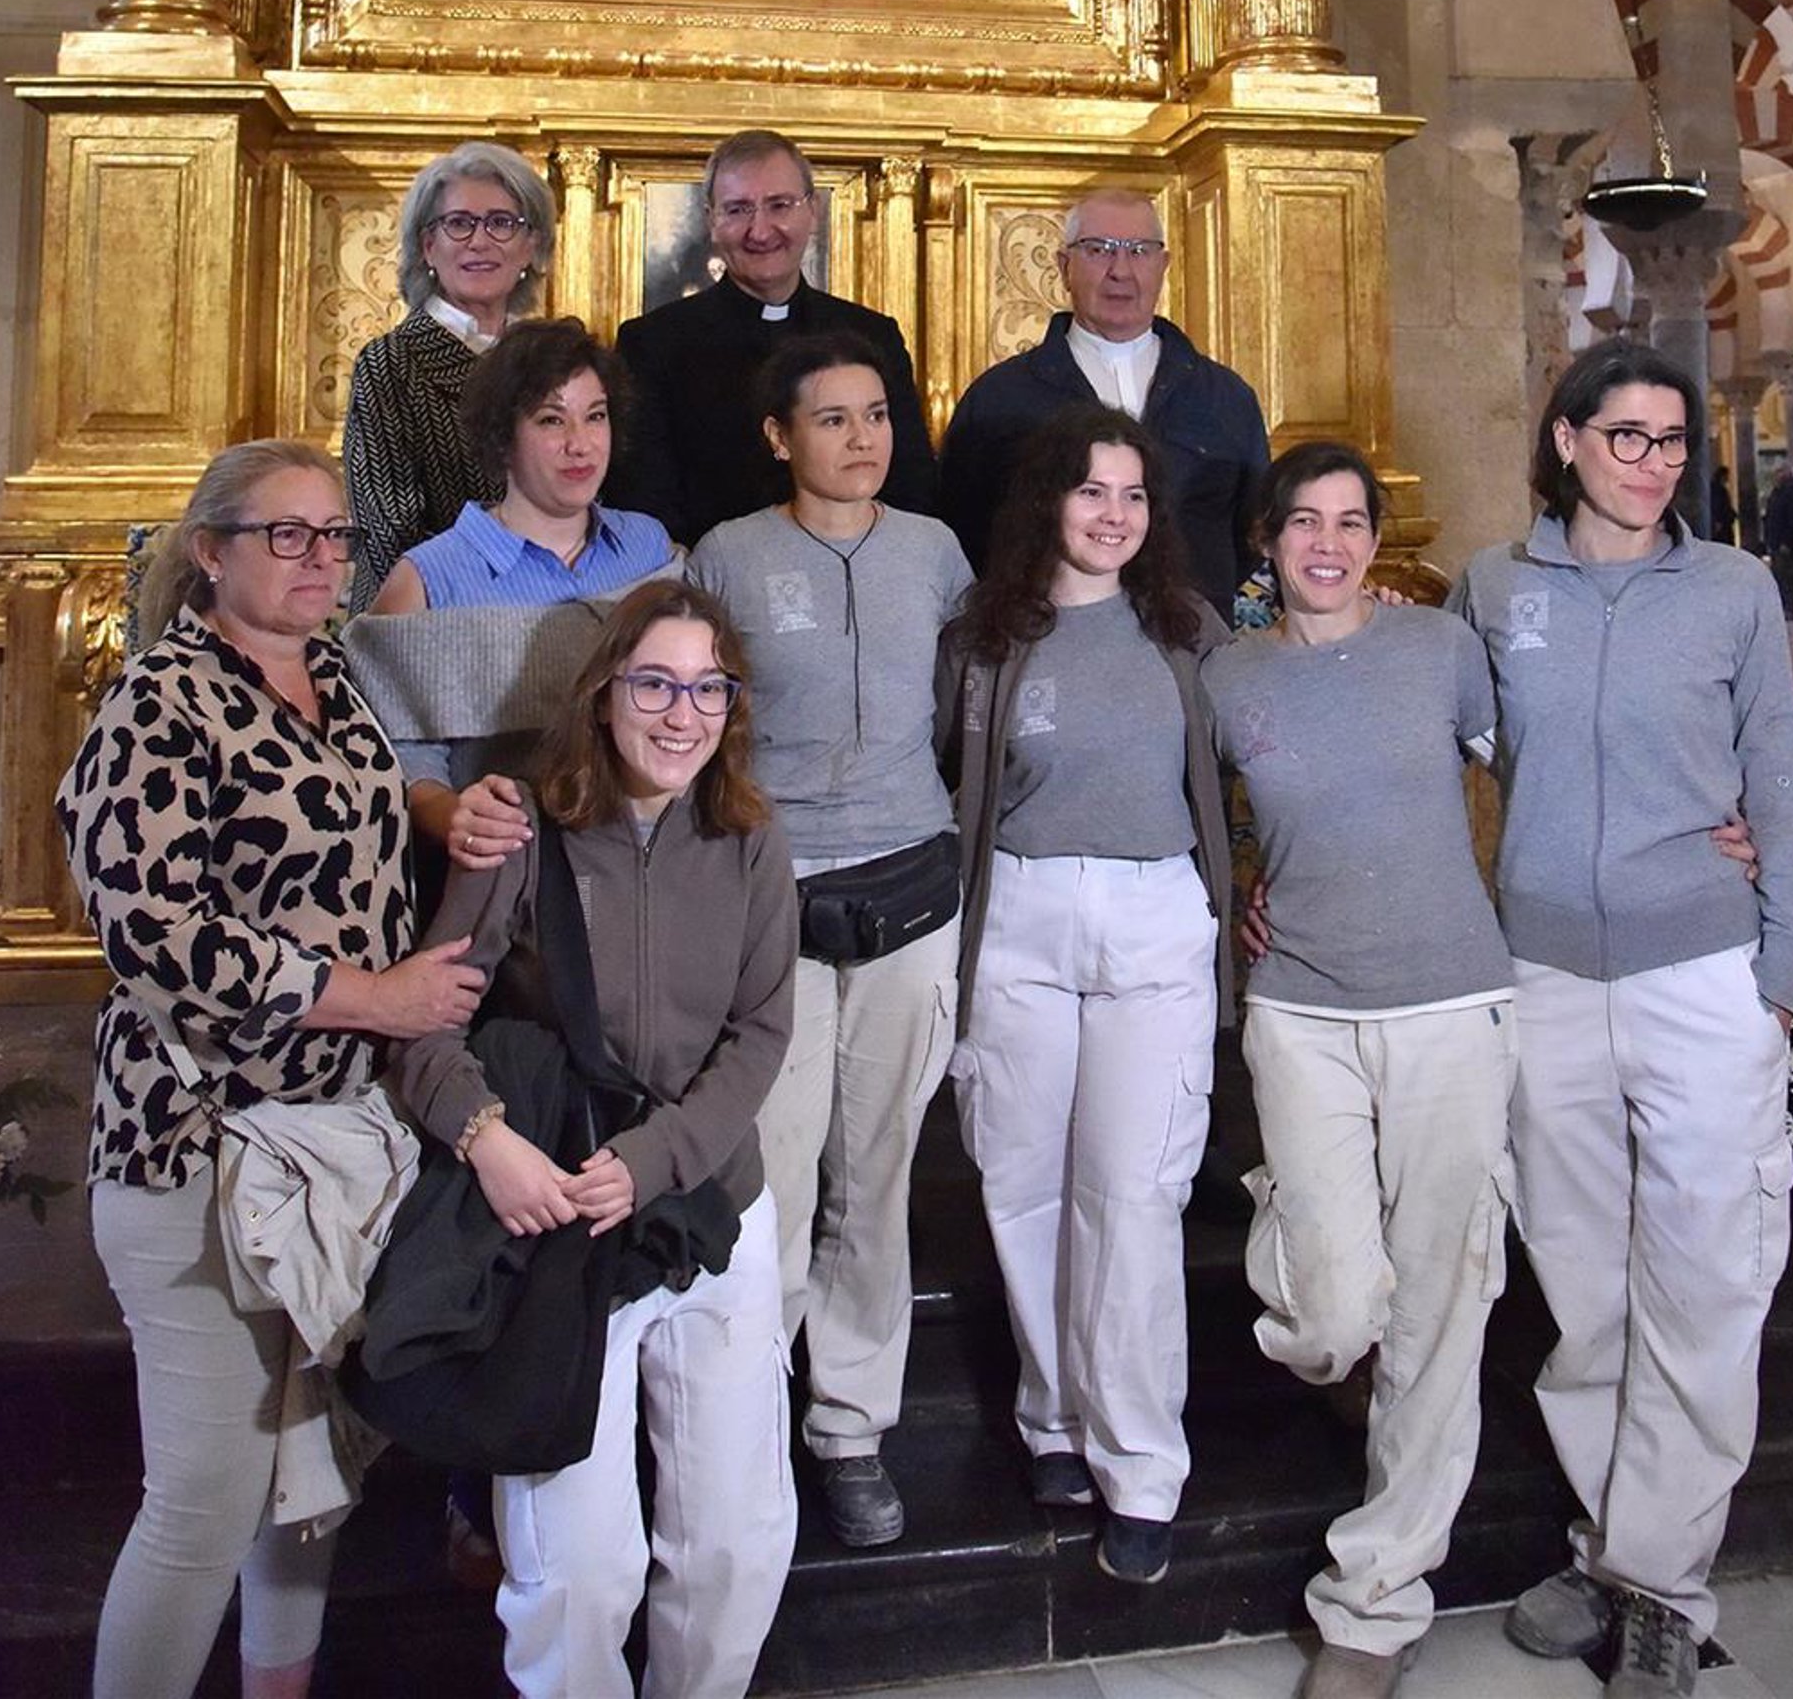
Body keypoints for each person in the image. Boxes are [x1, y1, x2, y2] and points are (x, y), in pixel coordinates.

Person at [56, 440, 486, 1699]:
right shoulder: (159, 702)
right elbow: (155, 933)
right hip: (193, 1140)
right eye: (284, 534)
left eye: (333, 534)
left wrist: (461, 819)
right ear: (210, 551)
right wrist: (373, 996)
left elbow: (365, 846)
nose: (319, 558)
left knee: (307, 1477)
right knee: (205, 1496)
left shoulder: (335, 675)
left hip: (328, 1135)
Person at [1452, 338, 1793, 1699]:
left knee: (1706, 1283)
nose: (1652, 463)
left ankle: (1662, 1584)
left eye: (1671, 441)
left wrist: (1781, 973)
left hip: (1702, 975)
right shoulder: (1496, 588)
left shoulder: (1732, 589)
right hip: (1546, 977)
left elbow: (1777, 775)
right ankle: (1612, 1552)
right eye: (1626, 437)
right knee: (1587, 1288)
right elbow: (1440, 754)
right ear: (1566, 440)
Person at [388, 578, 799, 1699]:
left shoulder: (753, 838)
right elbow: (425, 1026)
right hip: (564, 1214)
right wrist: (488, 1139)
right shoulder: (524, 830)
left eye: (708, 688)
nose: (682, 713)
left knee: (735, 1541)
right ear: (605, 692)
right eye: (656, 683)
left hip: (707, 1203)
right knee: (577, 1566)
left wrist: (656, 1158)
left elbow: (762, 1034)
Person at [1204, 443, 1517, 1699]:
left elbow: (1541, 775)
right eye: (1303, 522)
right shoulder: (1227, 676)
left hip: (1451, 998)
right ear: (1267, 540)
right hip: (1301, 1008)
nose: (1326, 544)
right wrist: (1239, 893)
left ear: (1375, 540)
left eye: (1350, 522)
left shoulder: (1439, 649)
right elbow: (1189, 819)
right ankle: (1341, 1336)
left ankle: (1375, 1600)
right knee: (1334, 1313)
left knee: (1443, 1301)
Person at [935, 406, 1233, 1588]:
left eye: (1133, 494)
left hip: (1155, 913)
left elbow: (1258, 760)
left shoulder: (1187, 628)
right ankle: (1053, 1417)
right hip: (1020, 910)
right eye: (1091, 490)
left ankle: (1141, 1462)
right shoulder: (984, 633)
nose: (1114, 515)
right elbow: (943, 775)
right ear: (1048, 499)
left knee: (1134, 1192)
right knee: (1022, 1180)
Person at [686, 336, 970, 1549]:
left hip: (911, 880)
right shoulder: (730, 555)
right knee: (777, 1169)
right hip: (775, 889)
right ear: (779, 435)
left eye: (877, 414)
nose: (863, 438)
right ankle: (747, 1417)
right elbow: (693, 715)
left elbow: (971, 691)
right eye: (834, 418)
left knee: (880, 1165)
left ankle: (850, 1425)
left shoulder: (936, 551)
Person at [368, 316, 674, 855]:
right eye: (551, 420)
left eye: (595, 416)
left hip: (644, 854)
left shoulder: (647, 548)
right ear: (502, 437)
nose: (580, 445)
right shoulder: (427, 578)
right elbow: (398, 750)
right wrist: (452, 814)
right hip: (509, 858)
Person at [937, 184, 1268, 616]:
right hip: (1043, 639)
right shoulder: (999, 399)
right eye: (1098, 250)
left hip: (1193, 640)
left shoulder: (1226, 398)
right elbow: (962, 534)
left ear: (1164, 266)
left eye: (1139, 251)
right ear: (1064, 266)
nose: (1120, 270)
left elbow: (1253, 533)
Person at [607, 126, 936, 543]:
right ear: (711, 221)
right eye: (738, 210)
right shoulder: (652, 344)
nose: (760, 231)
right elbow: (644, 502)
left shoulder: (873, 336)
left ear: (812, 210)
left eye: (779, 205)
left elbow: (911, 487)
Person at [342, 140, 556, 606]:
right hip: (428, 619)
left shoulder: (552, 362)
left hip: (549, 612)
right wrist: (520, 587)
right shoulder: (389, 363)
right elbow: (391, 534)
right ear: (428, 247)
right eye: (459, 223)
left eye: (502, 223)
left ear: (531, 247)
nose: (480, 241)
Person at [1762, 456, 1793, 618]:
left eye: (1779, 471)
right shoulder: (1778, 490)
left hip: (1786, 543)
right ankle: (1783, 605)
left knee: (1788, 575)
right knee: (1780, 575)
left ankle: (1789, 606)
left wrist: (1787, 541)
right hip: (1777, 541)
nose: (1776, 475)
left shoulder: (1791, 490)